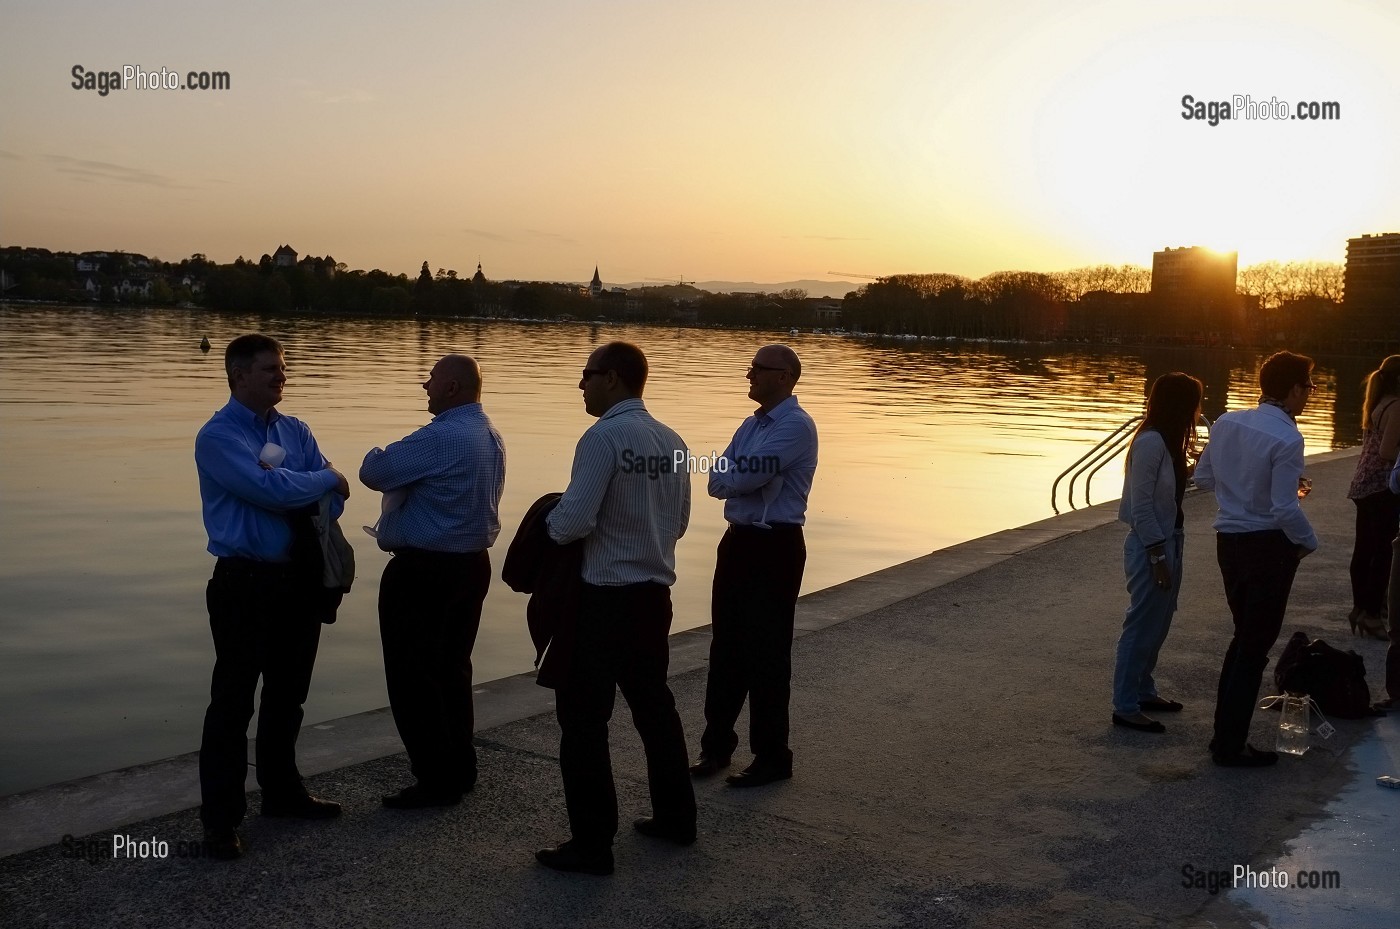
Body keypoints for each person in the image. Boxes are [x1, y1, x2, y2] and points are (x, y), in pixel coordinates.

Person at [535, 341, 696, 876]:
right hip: (654, 594)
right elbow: (680, 522)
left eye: (586, 375)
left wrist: (551, 523)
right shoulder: (672, 441)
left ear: (613, 378)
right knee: (654, 708)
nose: (580, 384)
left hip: (604, 598)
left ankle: (592, 844)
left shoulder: (602, 437)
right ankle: (676, 817)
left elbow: (574, 522)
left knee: (583, 721)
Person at [194, 334, 350, 860]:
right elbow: (274, 491)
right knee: (233, 701)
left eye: (282, 369)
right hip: (244, 582)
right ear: (238, 375)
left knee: (289, 695)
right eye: (268, 370)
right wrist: (321, 476)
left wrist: (301, 483)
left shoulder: (295, 429)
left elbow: (332, 505)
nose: (280, 377)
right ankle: (220, 820)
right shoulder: (218, 437)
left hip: (298, 580)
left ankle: (282, 794)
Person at [359, 355, 505, 809]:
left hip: (425, 571)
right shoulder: (490, 434)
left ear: (452, 388)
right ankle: (460, 767)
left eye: (432, 379)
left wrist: (376, 452)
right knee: (453, 670)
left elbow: (374, 472)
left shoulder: (444, 435)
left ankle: (434, 779)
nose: (425, 385)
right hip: (470, 566)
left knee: (413, 676)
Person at [692, 344, 818, 786]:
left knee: (766, 653)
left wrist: (736, 479)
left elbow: (741, 477)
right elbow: (718, 477)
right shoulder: (750, 425)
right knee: (725, 647)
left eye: (757, 369)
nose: (749, 375)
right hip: (738, 544)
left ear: (784, 376)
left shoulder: (796, 427)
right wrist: (736, 479)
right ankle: (716, 747)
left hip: (775, 547)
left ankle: (772, 756)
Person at [1193, 351, 1319, 768]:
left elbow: (1204, 478)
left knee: (1243, 637)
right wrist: (1309, 541)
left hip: (1229, 541)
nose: (1310, 396)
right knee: (1255, 645)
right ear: (1295, 389)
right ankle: (1230, 745)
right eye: (1309, 388)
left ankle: (1223, 736)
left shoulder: (1227, 421)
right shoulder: (1287, 438)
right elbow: (1284, 508)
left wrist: (1242, 496)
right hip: (1268, 546)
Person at [1111, 373, 1203, 734]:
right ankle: (1125, 704)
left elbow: (1165, 492)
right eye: (1195, 401)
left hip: (1170, 540)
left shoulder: (1167, 441)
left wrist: (1192, 469)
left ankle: (1144, 690)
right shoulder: (1150, 442)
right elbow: (1142, 506)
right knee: (1141, 623)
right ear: (1181, 404)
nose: (1199, 409)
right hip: (1152, 545)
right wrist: (1156, 555)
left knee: (1159, 622)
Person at [1345, 355, 1400, 639]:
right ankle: (1372, 615)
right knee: (1383, 553)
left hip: (1364, 484)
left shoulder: (1378, 402)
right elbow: (1389, 452)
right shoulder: (1398, 406)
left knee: (1364, 549)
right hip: (1382, 487)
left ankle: (1359, 609)